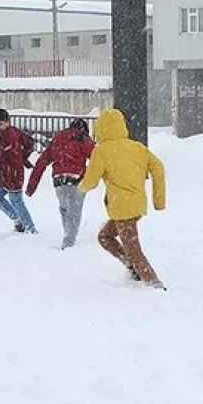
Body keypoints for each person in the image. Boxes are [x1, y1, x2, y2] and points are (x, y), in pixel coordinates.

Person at [78, 109, 167, 290]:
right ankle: (132, 266)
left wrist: (79, 187)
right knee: (105, 236)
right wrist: (158, 200)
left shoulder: (101, 151)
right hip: (135, 205)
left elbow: (91, 181)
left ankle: (153, 283)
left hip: (122, 207)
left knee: (133, 248)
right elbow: (158, 168)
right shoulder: (137, 148)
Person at [26, 118, 95, 249]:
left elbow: (42, 162)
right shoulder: (83, 139)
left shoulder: (58, 140)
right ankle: (68, 244)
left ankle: (67, 236)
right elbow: (98, 159)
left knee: (64, 209)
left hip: (58, 182)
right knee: (74, 212)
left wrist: (31, 186)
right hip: (76, 180)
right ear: (84, 130)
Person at [0, 108, 38, 234]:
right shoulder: (13, 132)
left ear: (7, 122)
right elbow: (29, 142)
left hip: (13, 175)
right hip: (6, 175)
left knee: (17, 202)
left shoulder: (8, 136)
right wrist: (22, 156)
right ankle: (17, 218)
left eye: (0, 124)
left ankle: (30, 228)